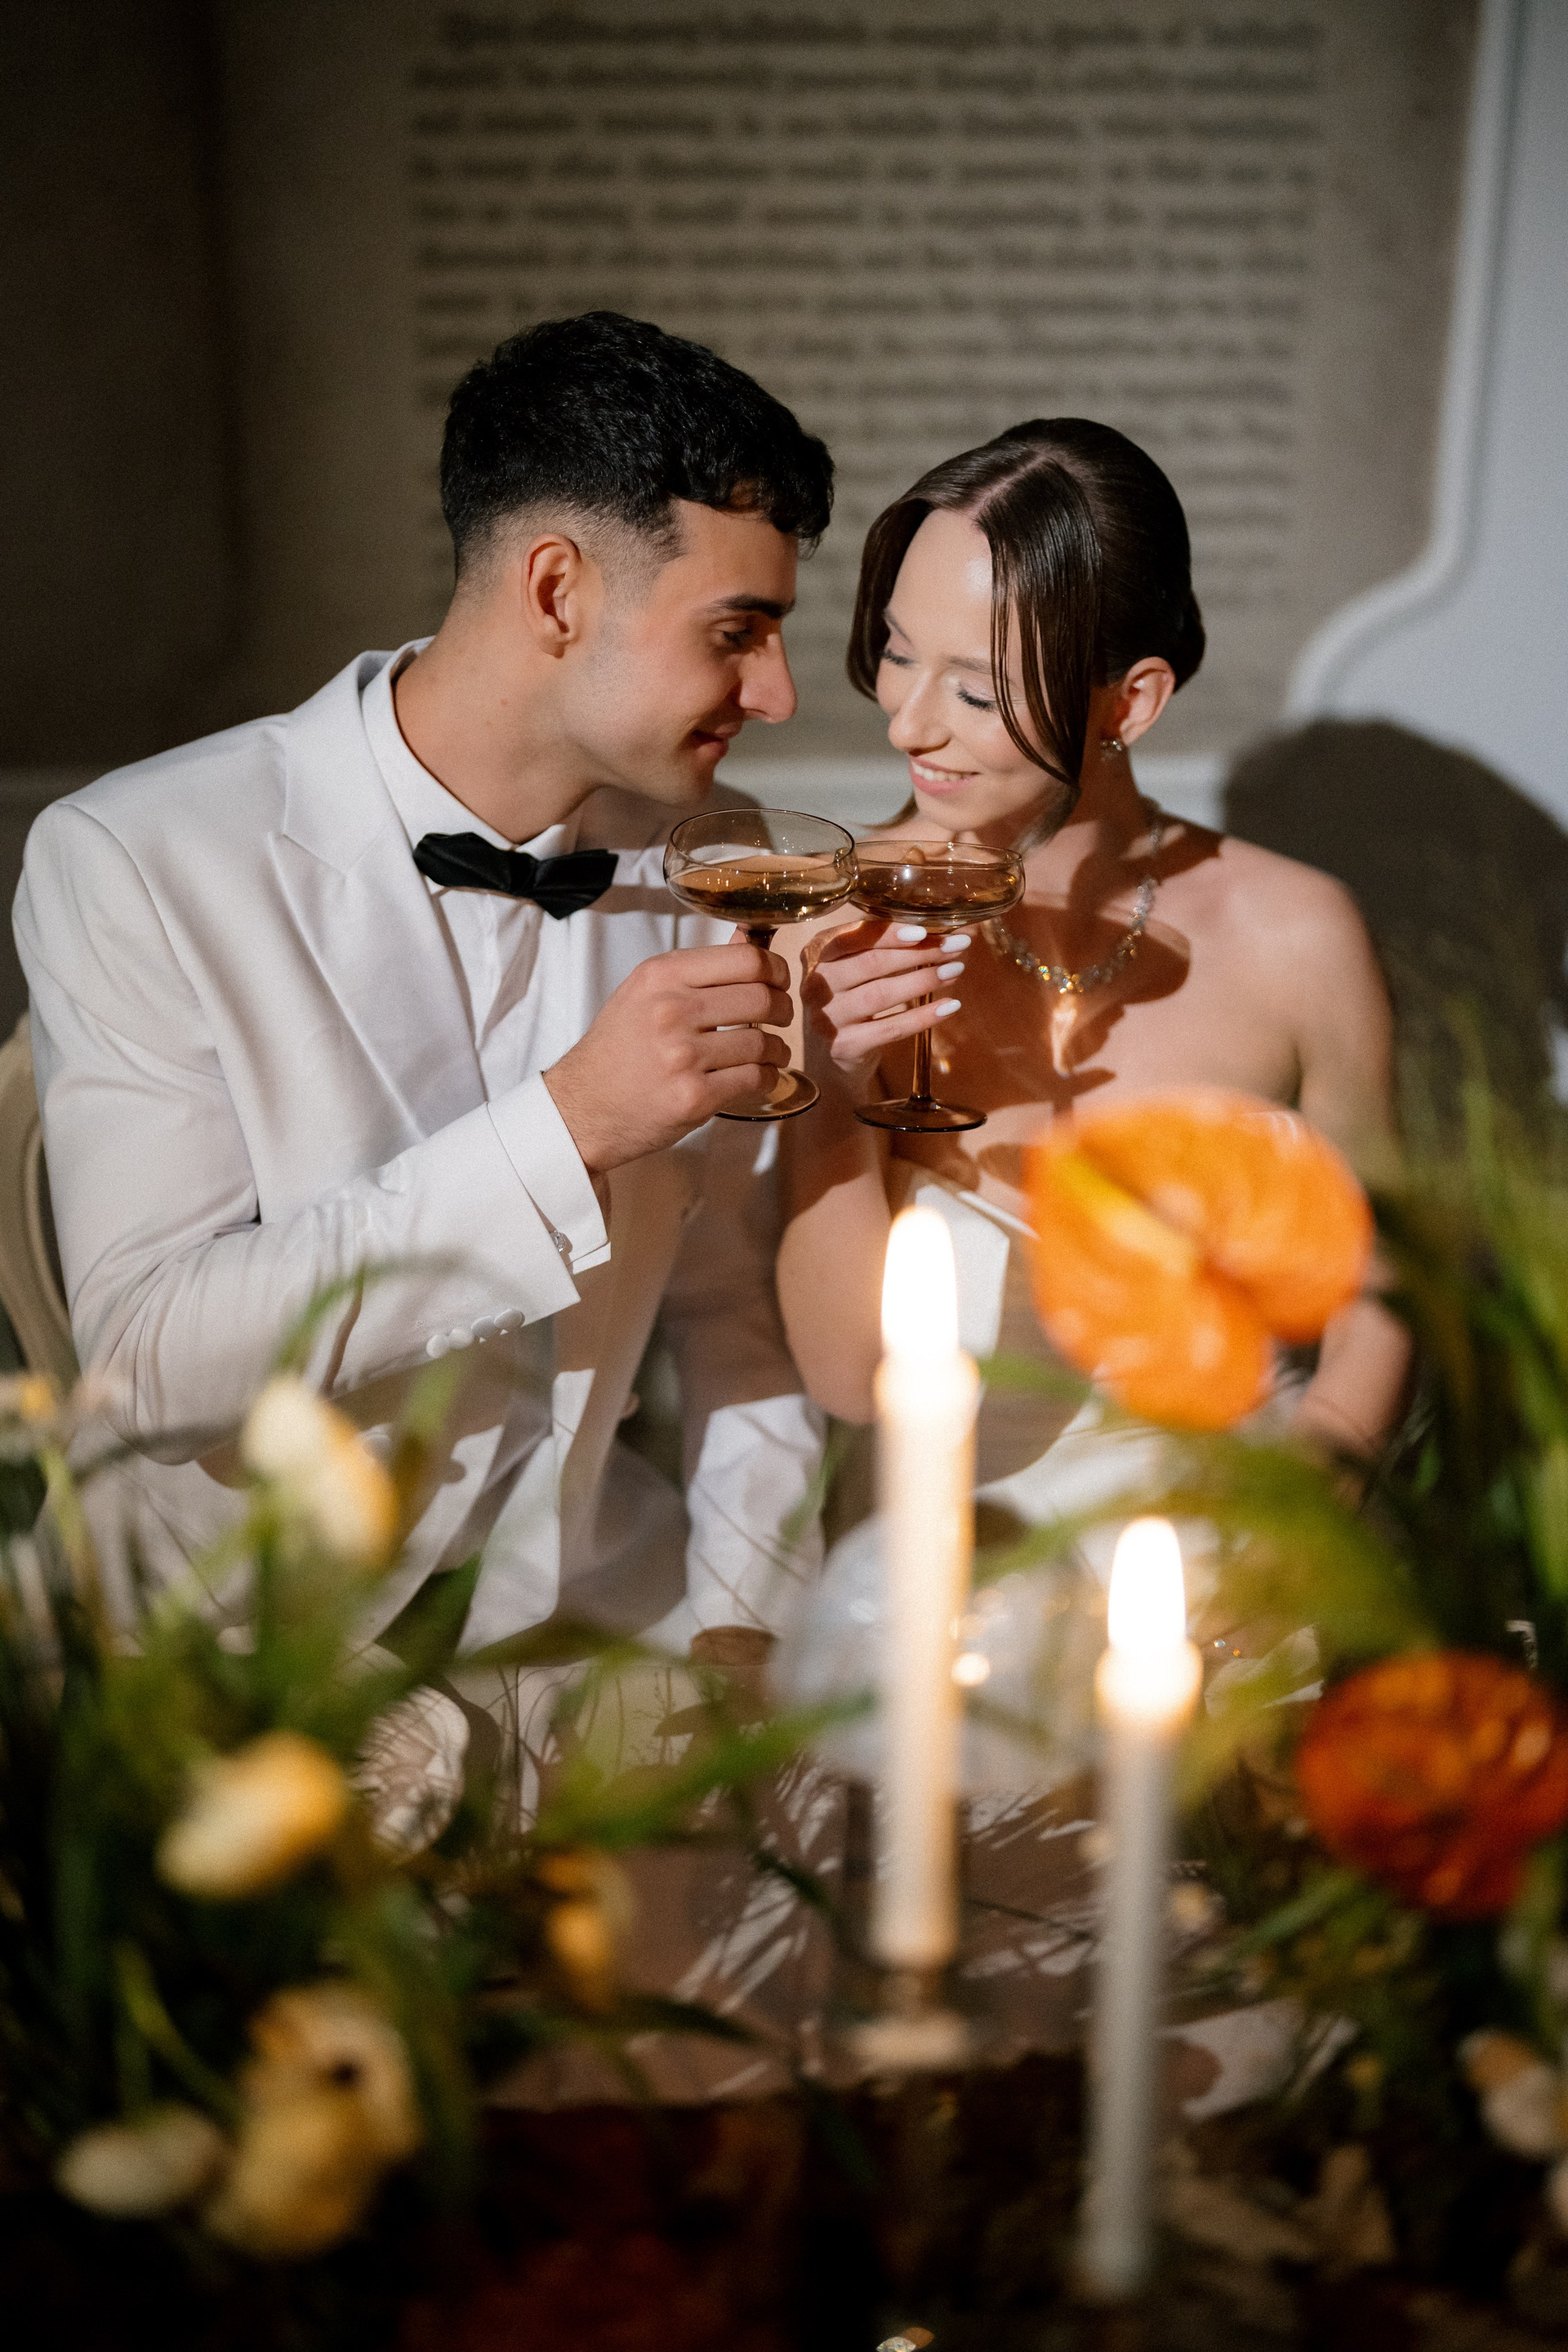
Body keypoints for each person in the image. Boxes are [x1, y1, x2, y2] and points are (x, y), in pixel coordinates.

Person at [15, 311, 834, 1710]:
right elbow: (145, 1363)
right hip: (213, 1658)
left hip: (579, 1623)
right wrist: (570, 1128)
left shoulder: (721, 859)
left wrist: (746, 1630)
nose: (778, 692)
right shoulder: (140, 859)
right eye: (736, 632)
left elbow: (730, 1307)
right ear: (559, 591)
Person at [777, 419, 1410, 1545]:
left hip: (1225, 1554)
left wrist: (1312, 1502)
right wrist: (832, 1085)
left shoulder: (1297, 934)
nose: (908, 723)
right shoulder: (836, 928)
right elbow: (845, 1373)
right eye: (897, 652)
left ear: (1131, 701)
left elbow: (1384, 1282)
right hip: (931, 1573)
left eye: (977, 693)